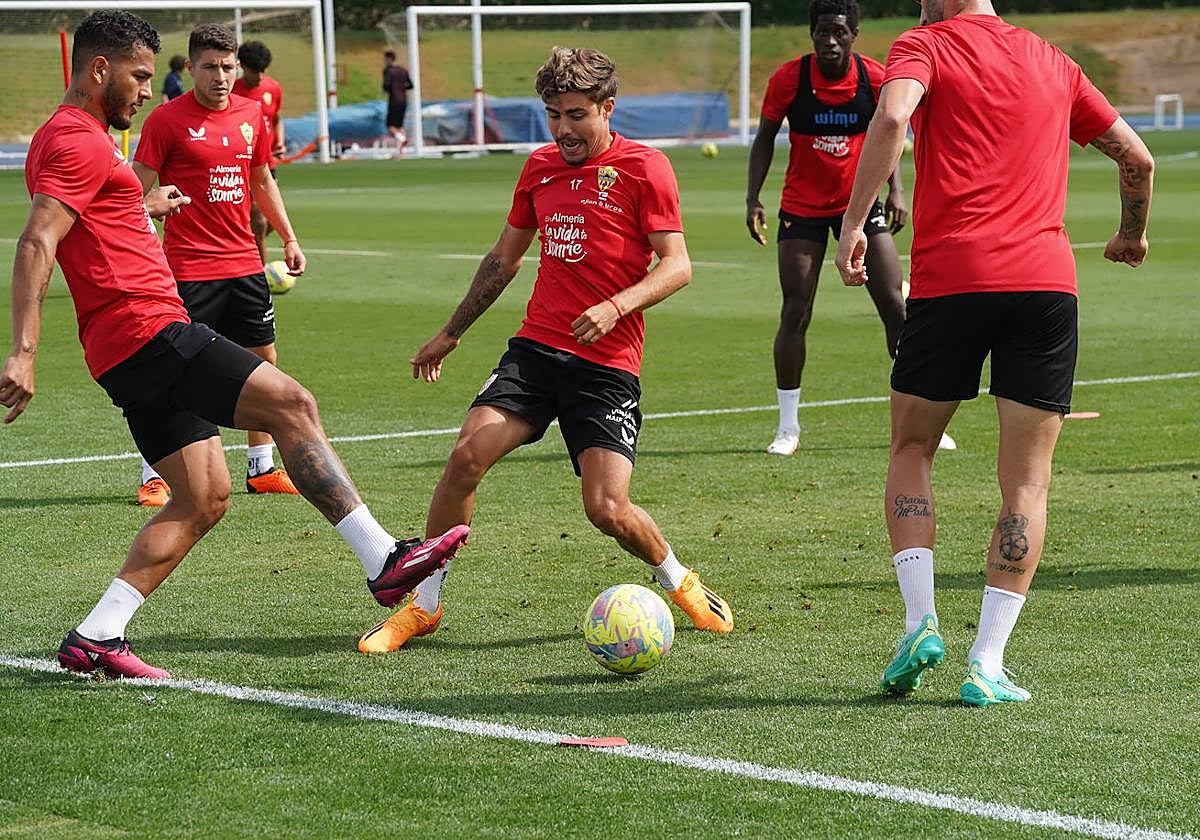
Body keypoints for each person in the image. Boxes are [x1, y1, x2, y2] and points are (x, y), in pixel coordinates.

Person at [0, 10, 469, 680]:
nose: (144, 89)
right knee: (292, 404)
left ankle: (97, 636)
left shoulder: (89, 138)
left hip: (124, 347)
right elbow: (37, 239)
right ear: (99, 68)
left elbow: (92, 224)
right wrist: (23, 349)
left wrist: (141, 208)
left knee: (204, 497)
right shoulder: (74, 137)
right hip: (147, 331)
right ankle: (385, 562)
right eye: (136, 76)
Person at [357, 46, 734, 654]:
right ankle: (424, 605)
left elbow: (678, 265)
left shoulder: (646, 168)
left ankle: (679, 579)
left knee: (607, 508)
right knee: (463, 461)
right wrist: (452, 331)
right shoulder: (538, 168)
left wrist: (617, 305)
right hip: (534, 351)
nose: (564, 129)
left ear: (608, 109)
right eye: (554, 114)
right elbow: (503, 260)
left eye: (577, 114)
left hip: (606, 364)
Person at [834, 0, 1153, 705]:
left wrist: (855, 223)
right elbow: (1137, 157)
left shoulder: (927, 43)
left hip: (953, 280)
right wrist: (1131, 232)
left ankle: (921, 622)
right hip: (1044, 284)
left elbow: (891, 117)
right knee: (1028, 484)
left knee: (912, 446)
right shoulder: (1054, 61)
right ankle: (987, 662)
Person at [132, 25, 300, 505]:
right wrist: (148, 213)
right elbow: (133, 191)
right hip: (187, 268)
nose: (221, 76)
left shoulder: (252, 114)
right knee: (174, 370)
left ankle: (261, 467)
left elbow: (262, 178)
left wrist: (288, 237)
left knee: (263, 361)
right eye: (210, 67)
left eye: (228, 67)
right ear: (190, 69)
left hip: (245, 262)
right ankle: (156, 474)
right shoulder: (165, 121)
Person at [748, 0, 918, 458]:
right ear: (812, 34)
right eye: (823, 32)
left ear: (854, 35)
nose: (830, 41)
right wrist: (753, 198)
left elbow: (891, 134)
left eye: (839, 33)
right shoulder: (790, 79)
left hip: (860, 208)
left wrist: (897, 191)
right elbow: (764, 137)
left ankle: (919, 423)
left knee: (896, 306)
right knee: (796, 311)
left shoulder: (875, 79)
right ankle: (788, 428)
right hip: (802, 209)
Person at [232, 40, 284, 265]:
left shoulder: (273, 87)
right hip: (242, 162)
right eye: (255, 71)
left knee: (271, 219)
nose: (260, 76)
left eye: (263, 70)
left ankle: (242, 248)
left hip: (267, 162)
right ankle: (258, 277)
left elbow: (276, 118)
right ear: (242, 66)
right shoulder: (232, 91)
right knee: (260, 220)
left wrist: (279, 142)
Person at [381, 50, 413, 152]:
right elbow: (410, 85)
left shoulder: (388, 71)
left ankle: (403, 139)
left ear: (389, 59)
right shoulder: (403, 70)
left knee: (390, 126)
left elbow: (386, 85)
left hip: (394, 100)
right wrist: (401, 88)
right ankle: (401, 151)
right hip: (403, 100)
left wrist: (389, 89)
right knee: (399, 126)